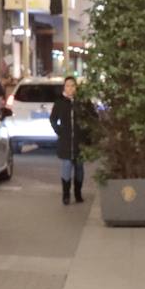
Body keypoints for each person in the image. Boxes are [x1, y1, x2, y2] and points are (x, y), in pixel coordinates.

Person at [50, 77, 93, 205]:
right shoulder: (60, 103)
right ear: (64, 88)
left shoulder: (83, 102)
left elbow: (92, 118)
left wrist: (87, 134)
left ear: (76, 88)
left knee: (79, 168)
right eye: (68, 86)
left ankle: (78, 193)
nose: (70, 88)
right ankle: (66, 194)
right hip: (66, 142)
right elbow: (53, 120)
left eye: (73, 86)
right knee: (66, 166)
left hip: (80, 142)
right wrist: (60, 132)